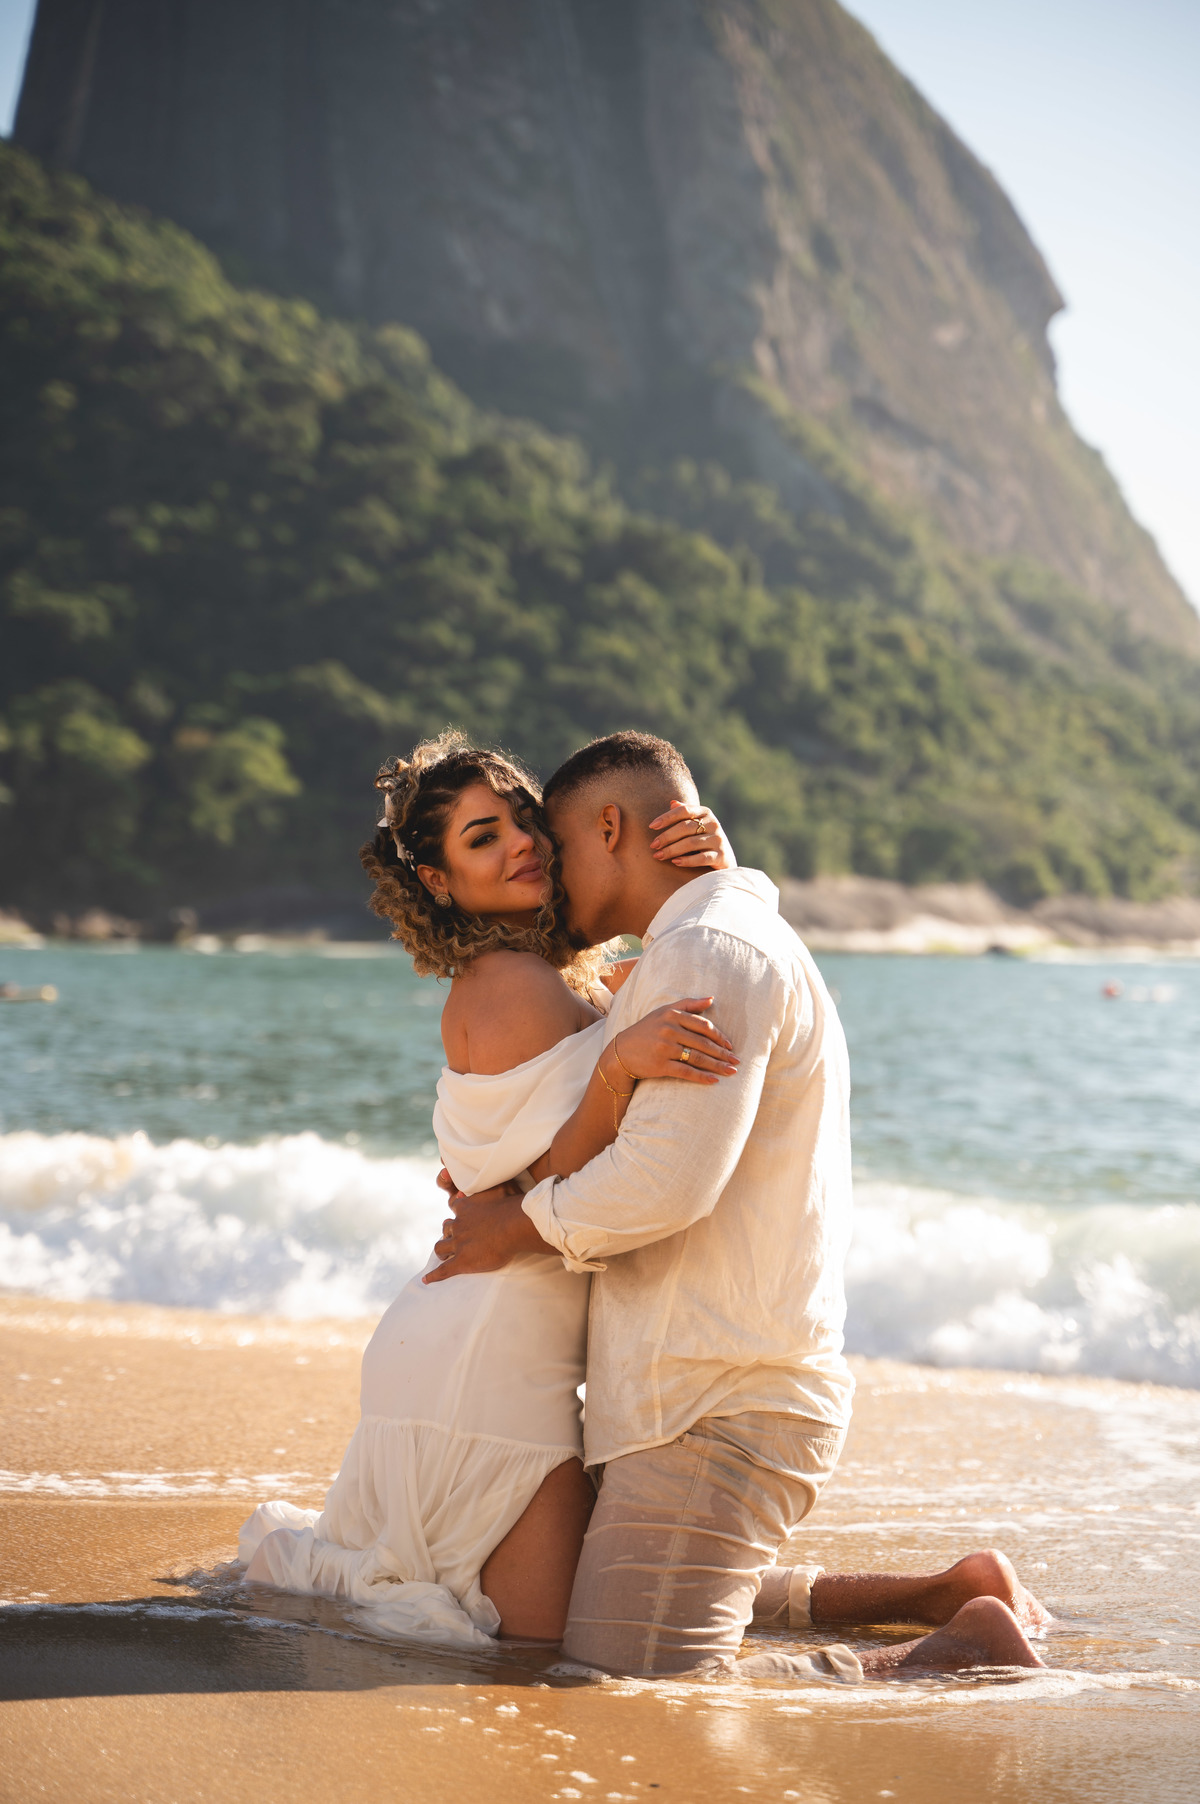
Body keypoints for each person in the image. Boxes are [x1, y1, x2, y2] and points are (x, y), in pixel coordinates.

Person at [240, 728, 1048, 1674]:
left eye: (540, 830)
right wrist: (604, 1077)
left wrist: (518, 1207)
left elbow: (653, 1181)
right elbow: (576, 1146)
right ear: (439, 879)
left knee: (621, 1668)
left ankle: (950, 1645)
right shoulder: (641, 962)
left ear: (611, 826)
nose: (535, 851)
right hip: (551, 1353)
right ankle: (946, 1597)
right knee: (596, 1613)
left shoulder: (696, 952)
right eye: (487, 837)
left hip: (660, 1376)